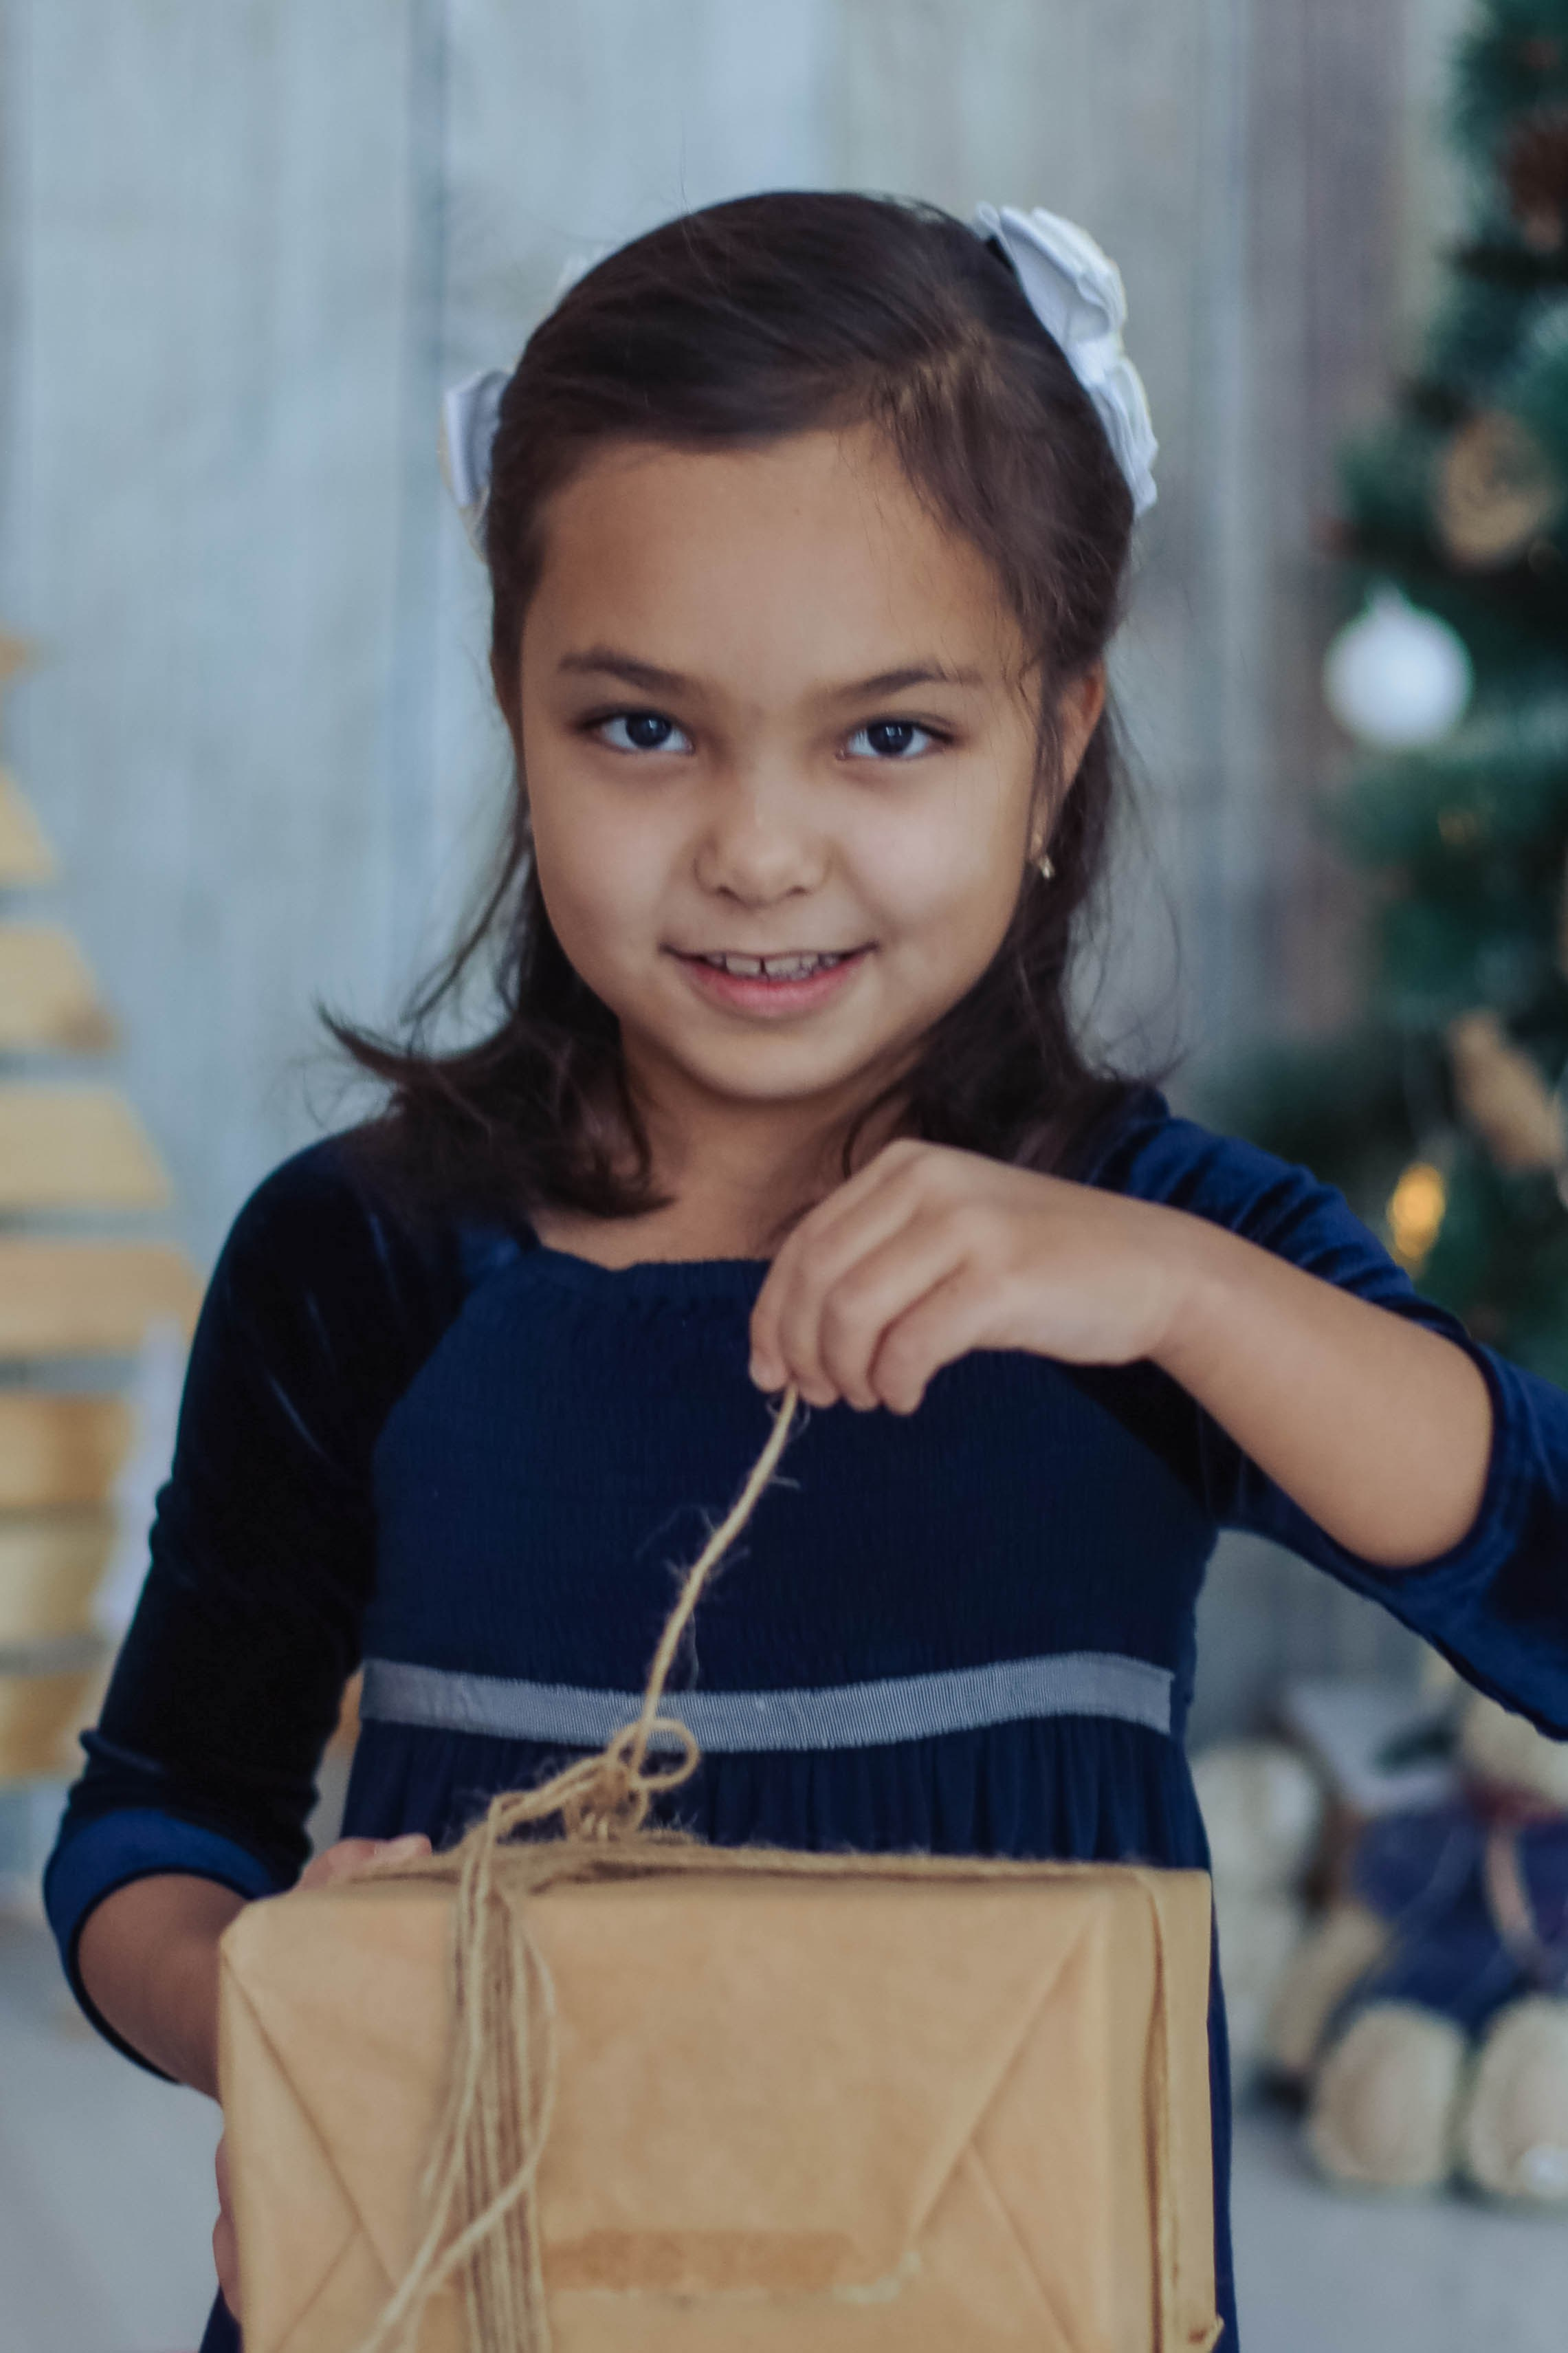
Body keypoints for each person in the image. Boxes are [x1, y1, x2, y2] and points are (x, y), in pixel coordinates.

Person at [43, 190, 1568, 2352]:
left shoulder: (1151, 1262)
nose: (759, 848)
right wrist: (267, 2010)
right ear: (516, 705)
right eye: (643, 731)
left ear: (1053, 744)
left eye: (889, 737)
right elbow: (153, 1824)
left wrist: (1184, 1297)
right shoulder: (366, 1260)